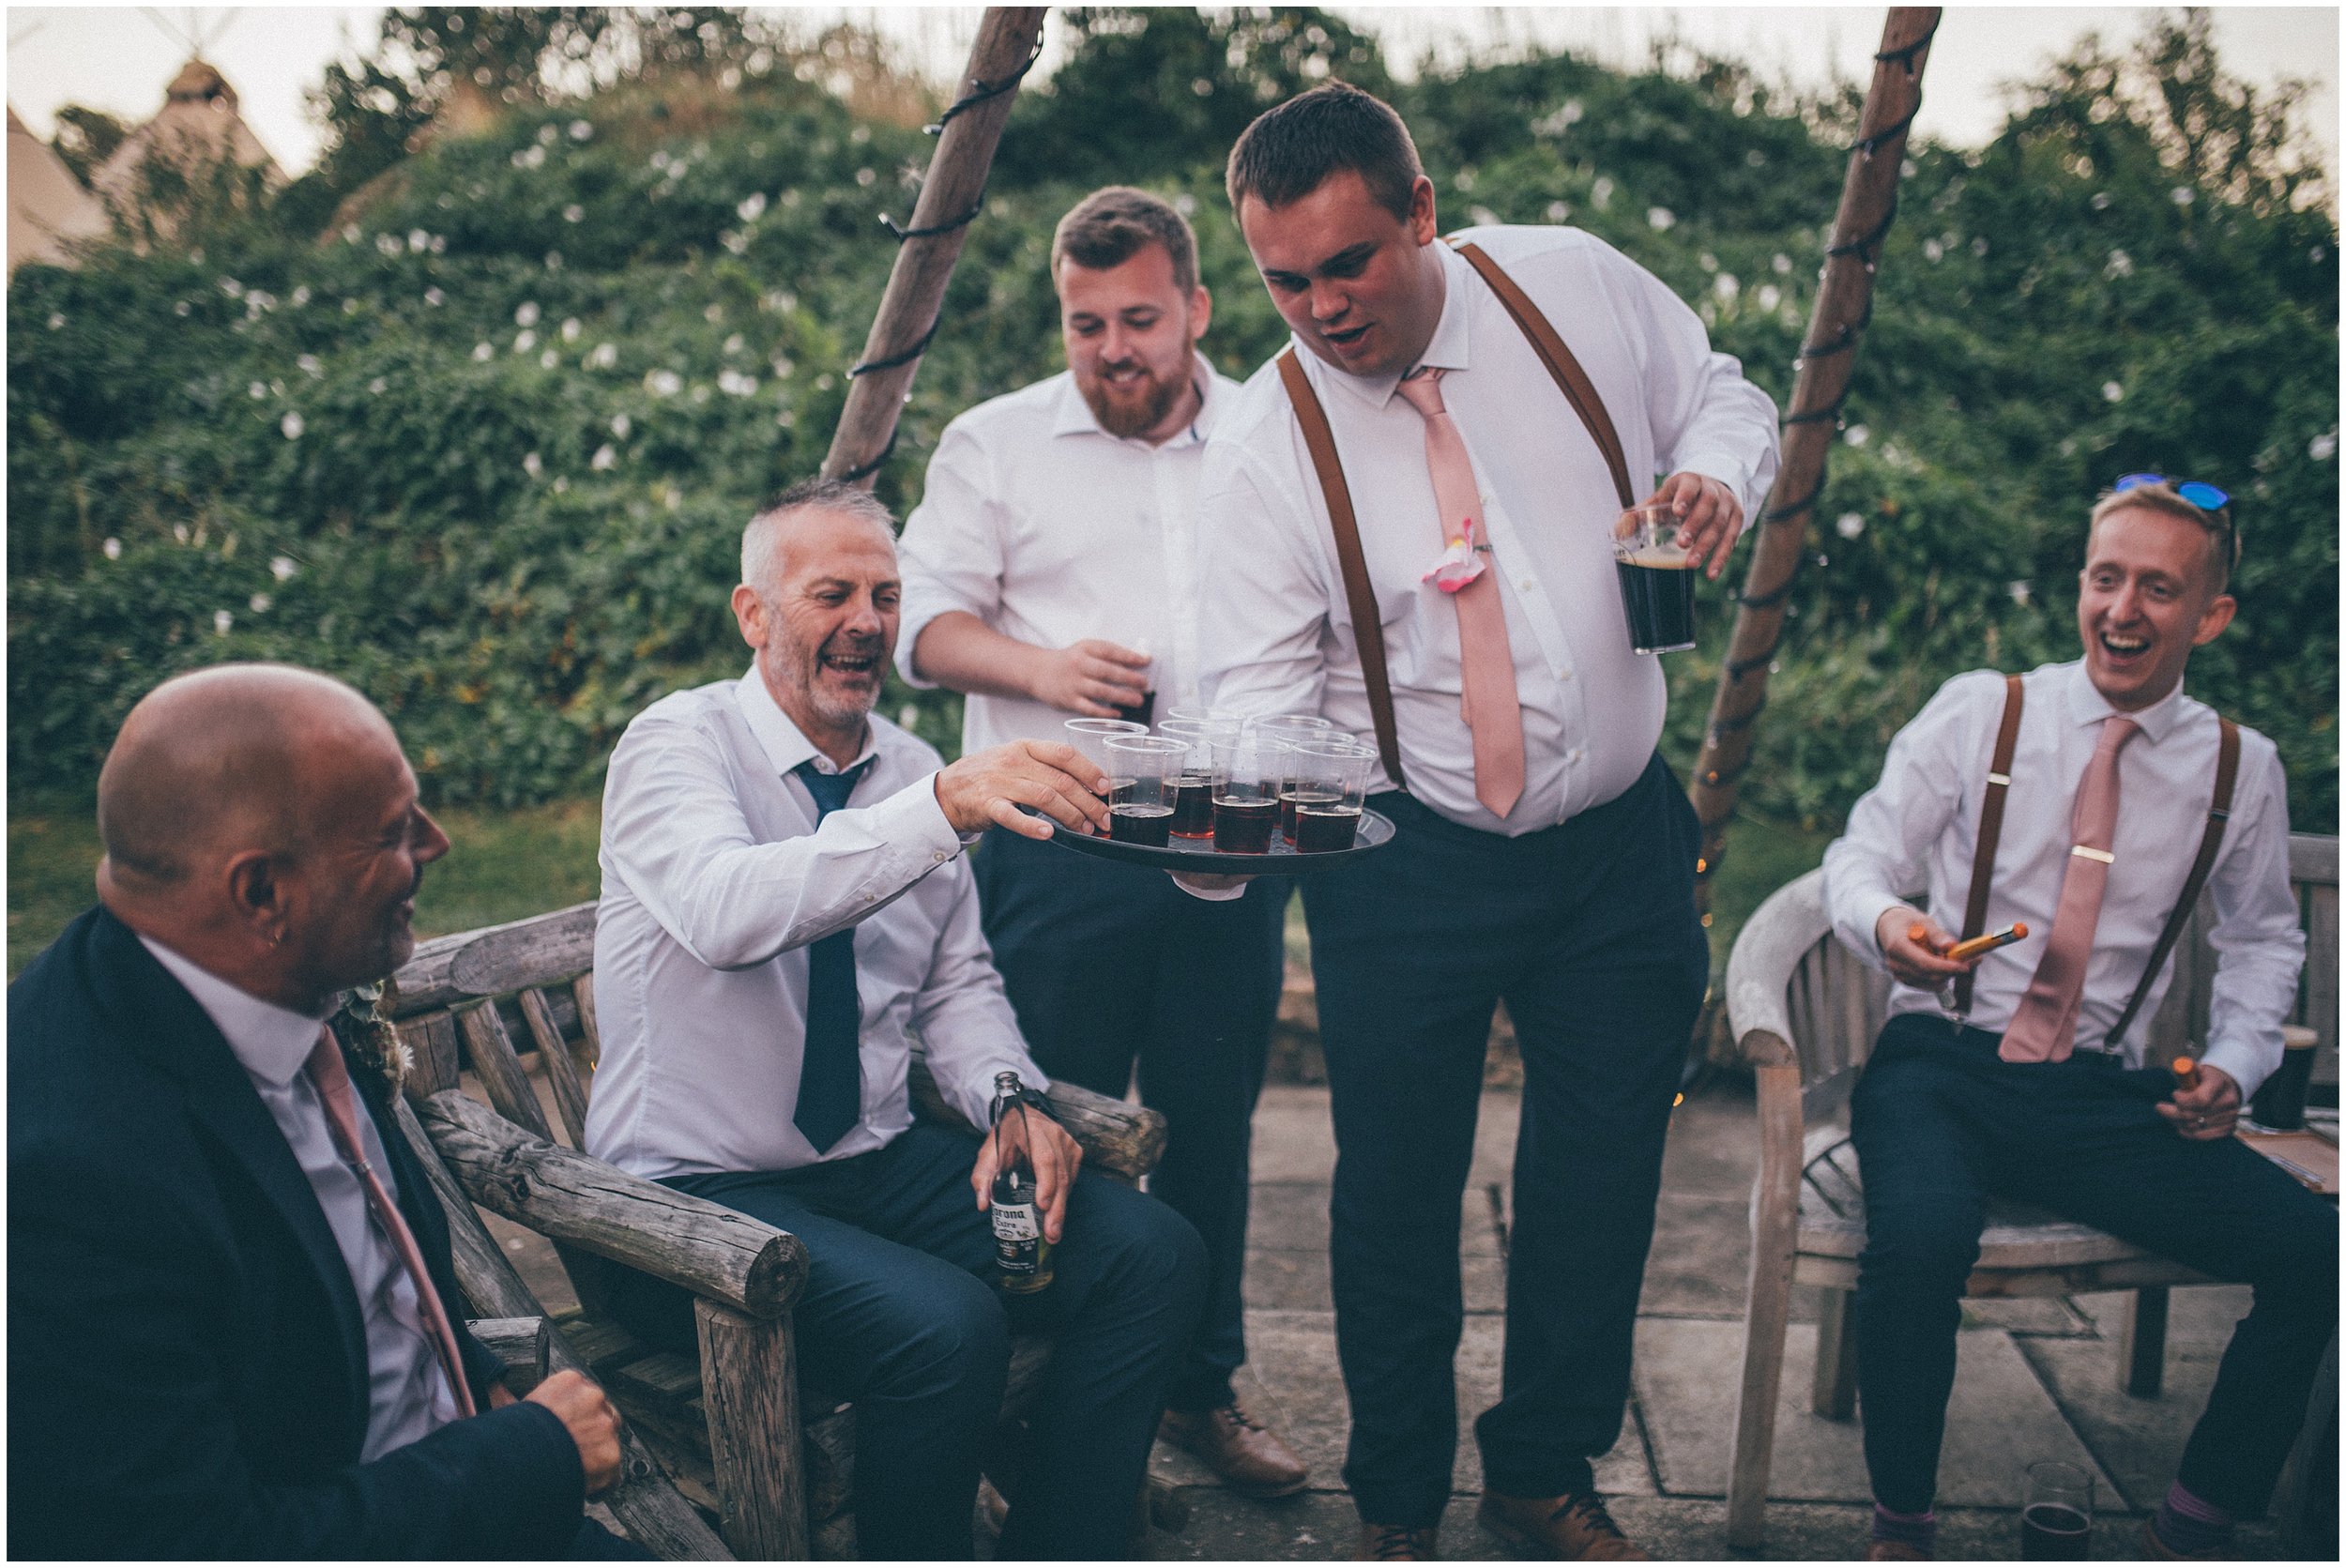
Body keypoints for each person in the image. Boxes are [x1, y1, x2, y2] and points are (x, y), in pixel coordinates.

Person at [1193, 83, 1781, 1560]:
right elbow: (1268, 706)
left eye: (1351, 263)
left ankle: (1539, 1467)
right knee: (1394, 1192)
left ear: (1425, 213)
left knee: (1603, 1172)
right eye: (1287, 278)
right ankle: (1397, 1499)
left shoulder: (1569, 283)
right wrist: (1242, 813)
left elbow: (1726, 389)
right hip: (1412, 862)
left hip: (1621, 849)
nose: (1321, 307)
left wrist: (1718, 477)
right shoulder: (1267, 447)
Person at [584, 478, 1209, 1560]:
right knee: (945, 1328)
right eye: (832, 593)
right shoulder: (676, 747)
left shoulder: (913, 768)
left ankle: (1065, 1541)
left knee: (1153, 1255)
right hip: (681, 1204)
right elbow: (726, 910)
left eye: (885, 596)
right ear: (753, 614)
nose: (867, 623)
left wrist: (1010, 1097)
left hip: (867, 1169)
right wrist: (937, 813)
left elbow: (955, 985)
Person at [9, 663, 634, 1559]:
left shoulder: (287, 972)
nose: (438, 841)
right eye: (392, 831)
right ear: (262, 893)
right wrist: (530, 1453)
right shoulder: (66, 1177)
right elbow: (198, 1543)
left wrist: (479, 1376)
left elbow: (368, 1258)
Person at [1820, 478, 2334, 1562]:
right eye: (2107, 579)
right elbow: (1860, 853)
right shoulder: (1984, 709)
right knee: (1916, 1243)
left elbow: (2261, 941)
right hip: (1939, 1064)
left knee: (2315, 1253)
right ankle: (1900, 1527)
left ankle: (2193, 1521)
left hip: (2095, 1094)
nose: (2123, 611)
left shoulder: (2239, 768)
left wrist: (2234, 1065)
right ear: (2081, 587)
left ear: (2210, 617)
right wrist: (1888, 920)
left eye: (2159, 588)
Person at [895, 185, 1308, 1497]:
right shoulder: (995, 442)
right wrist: (1044, 667)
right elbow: (922, 629)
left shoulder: (1275, 431)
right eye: (1087, 325)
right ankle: (1047, 1403)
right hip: (1054, 833)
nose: (1114, 347)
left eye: (1139, 318)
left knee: (1211, 1125)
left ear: (1196, 303)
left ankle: (1196, 1386)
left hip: (1228, 834)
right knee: (1044, 1114)